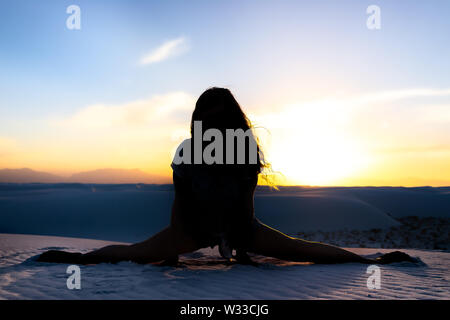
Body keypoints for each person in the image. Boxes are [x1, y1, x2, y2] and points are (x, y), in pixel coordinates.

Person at [37, 87, 415, 265]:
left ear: (233, 121)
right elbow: (179, 203)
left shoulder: (246, 153)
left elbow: (243, 205)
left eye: (221, 119)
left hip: (241, 228)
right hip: (192, 228)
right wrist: (173, 249)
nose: (213, 125)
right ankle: (80, 260)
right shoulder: (186, 153)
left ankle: (372, 264)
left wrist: (240, 244)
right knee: (135, 254)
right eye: (207, 119)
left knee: (300, 249)